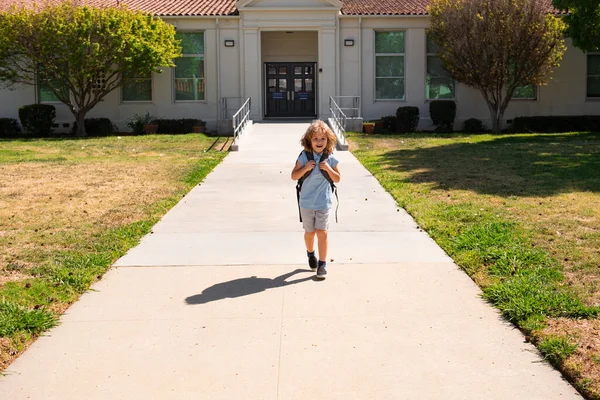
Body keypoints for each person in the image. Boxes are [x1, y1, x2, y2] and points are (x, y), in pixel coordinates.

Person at [291, 120, 341, 280]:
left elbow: (338, 178)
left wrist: (329, 169)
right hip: (306, 203)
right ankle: (310, 253)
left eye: (322, 139)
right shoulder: (304, 156)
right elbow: (294, 176)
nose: (319, 142)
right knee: (309, 233)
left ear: (328, 140)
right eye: (315, 139)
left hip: (323, 203)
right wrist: (305, 168)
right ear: (309, 140)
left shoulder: (331, 158)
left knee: (322, 233)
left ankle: (322, 264)